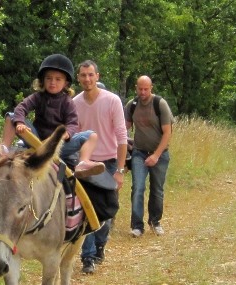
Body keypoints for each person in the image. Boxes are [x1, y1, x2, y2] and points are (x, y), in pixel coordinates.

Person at [1, 53, 105, 178]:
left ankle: (83, 162)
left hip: (57, 145)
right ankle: (4, 150)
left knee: (91, 135)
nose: (52, 82)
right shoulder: (38, 97)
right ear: (42, 80)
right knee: (11, 115)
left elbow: (72, 123)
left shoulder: (67, 102)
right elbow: (21, 108)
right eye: (48, 78)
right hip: (36, 139)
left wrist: (66, 133)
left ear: (66, 83)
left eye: (58, 79)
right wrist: (20, 123)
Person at [72, 60, 128, 273]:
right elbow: (74, 136)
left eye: (90, 75)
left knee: (107, 210)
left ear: (97, 76)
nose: (87, 79)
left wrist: (120, 171)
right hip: (86, 163)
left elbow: (122, 137)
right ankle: (88, 257)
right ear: (78, 78)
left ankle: (100, 245)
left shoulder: (112, 101)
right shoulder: (75, 103)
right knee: (86, 208)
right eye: (83, 75)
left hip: (109, 161)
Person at [125, 75, 174, 238]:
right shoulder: (131, 105)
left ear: (151, 88)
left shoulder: (160, 104)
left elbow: (168, 132)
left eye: (146, 89)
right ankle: (137, 225)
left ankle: (155, 221)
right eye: (140, 88)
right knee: (138, 187)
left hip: (160, 154)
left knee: (157, 190)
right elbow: (123, 128)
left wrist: (156, 155)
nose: (143, 92)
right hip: (139, 152)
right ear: (136, 88)